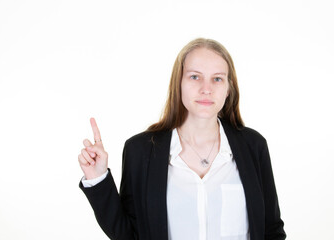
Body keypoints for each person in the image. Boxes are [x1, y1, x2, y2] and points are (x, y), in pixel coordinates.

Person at [78, 38, 286, 240]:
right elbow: (128, 234)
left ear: (228, 88)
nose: (206, 89)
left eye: (217, 78)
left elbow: (271, 231)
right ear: (178, 83)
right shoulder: (140, 151)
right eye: (195, 77)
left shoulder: (253, 146)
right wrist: (98, 179)